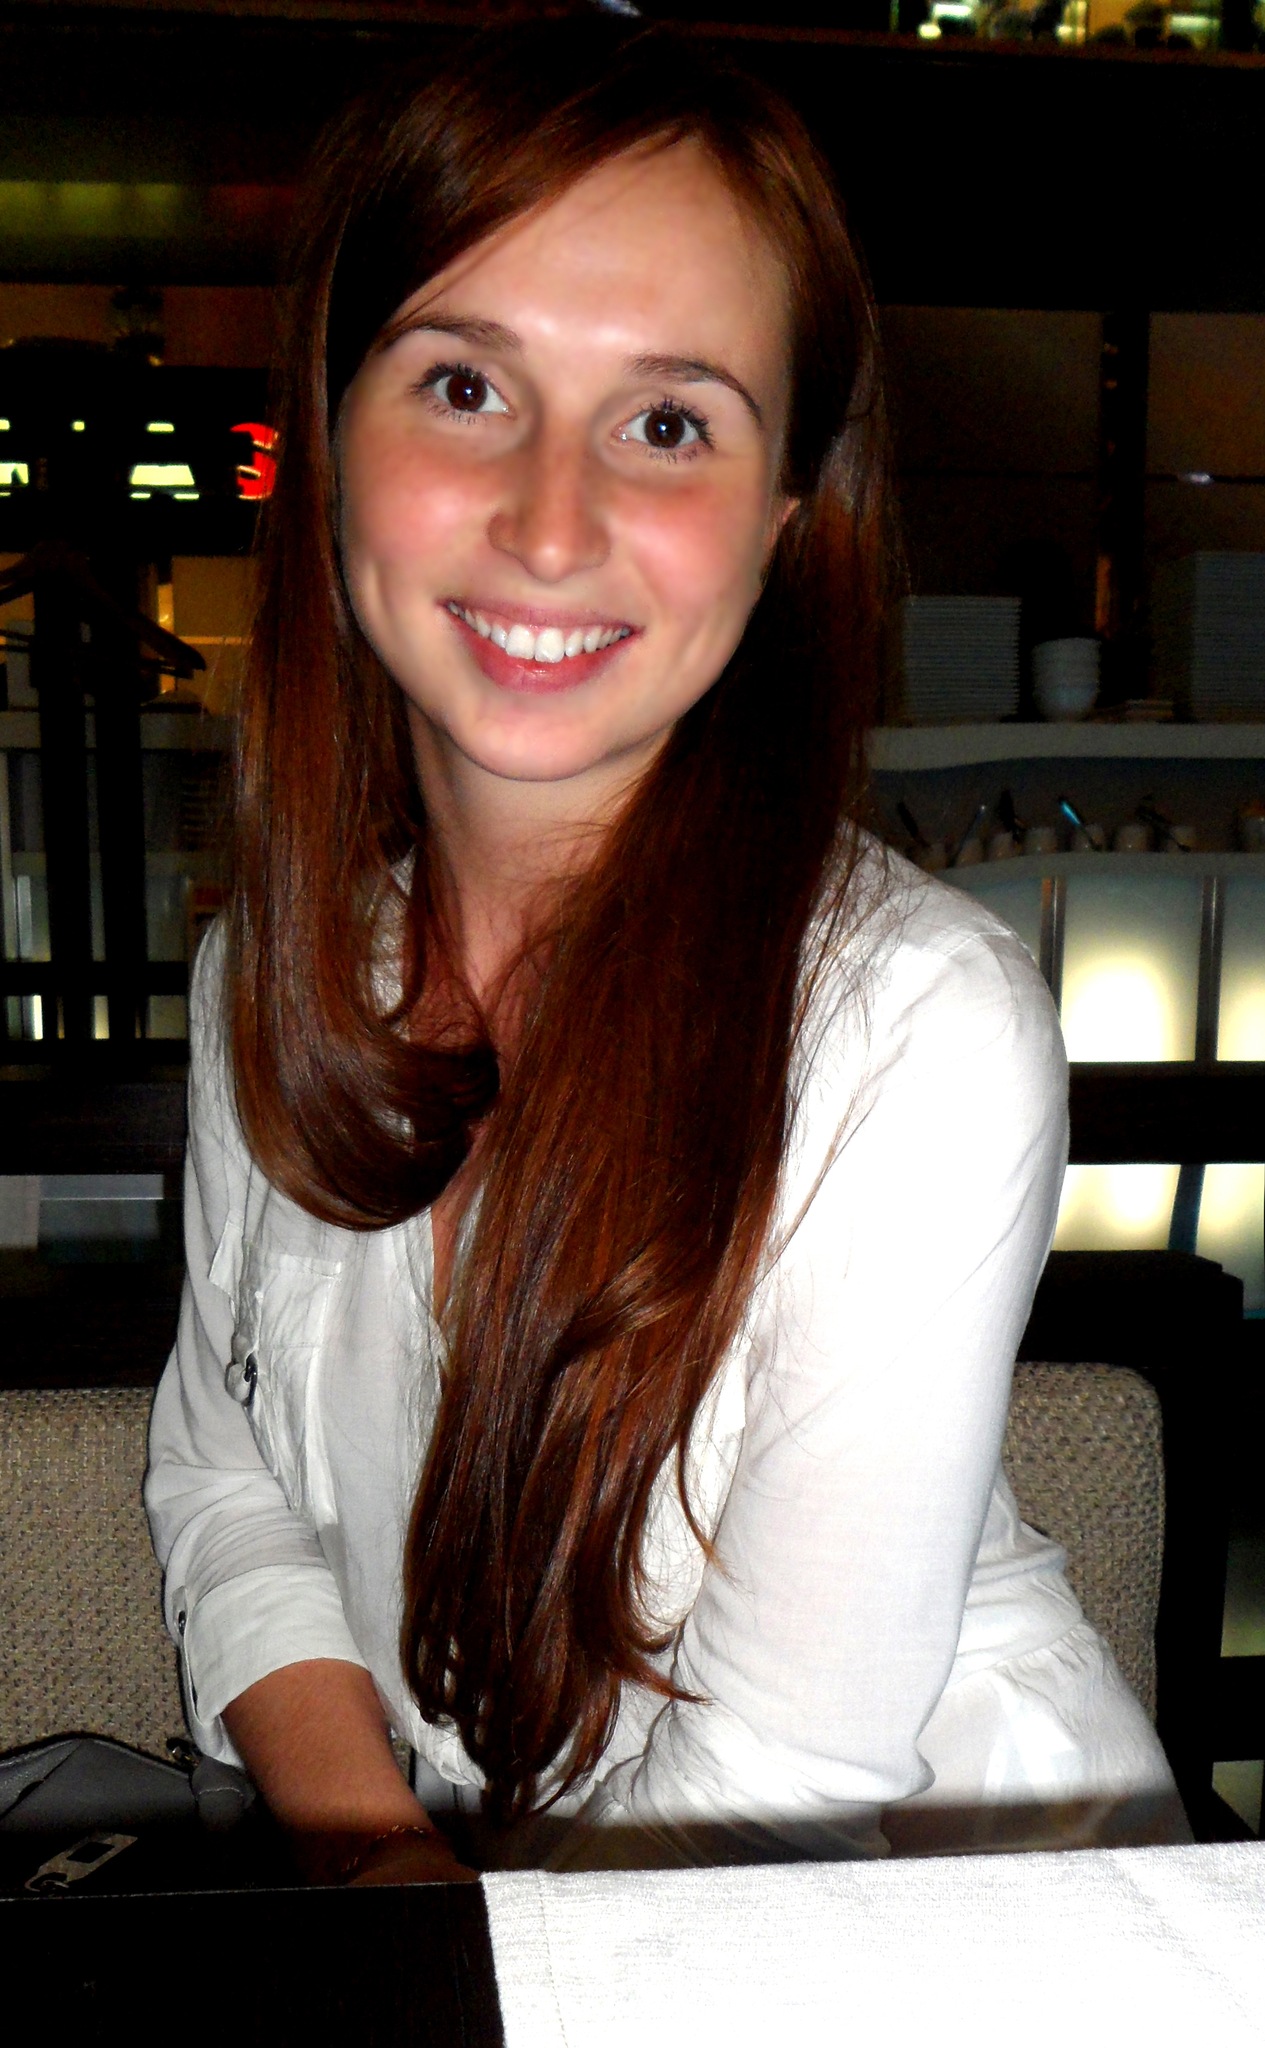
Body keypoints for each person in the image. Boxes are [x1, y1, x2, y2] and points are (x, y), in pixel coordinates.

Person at [145, 19, 1182, 1886]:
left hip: (920, 1932)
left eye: (668, 422)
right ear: (331, 436)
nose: (552, 524)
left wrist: (460, 1966)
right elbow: (221, 1484)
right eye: (466, 386)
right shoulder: (272, 983)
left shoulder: (911, 1025)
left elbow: (776, 1775)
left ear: (782, 521)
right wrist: (387, 1879)